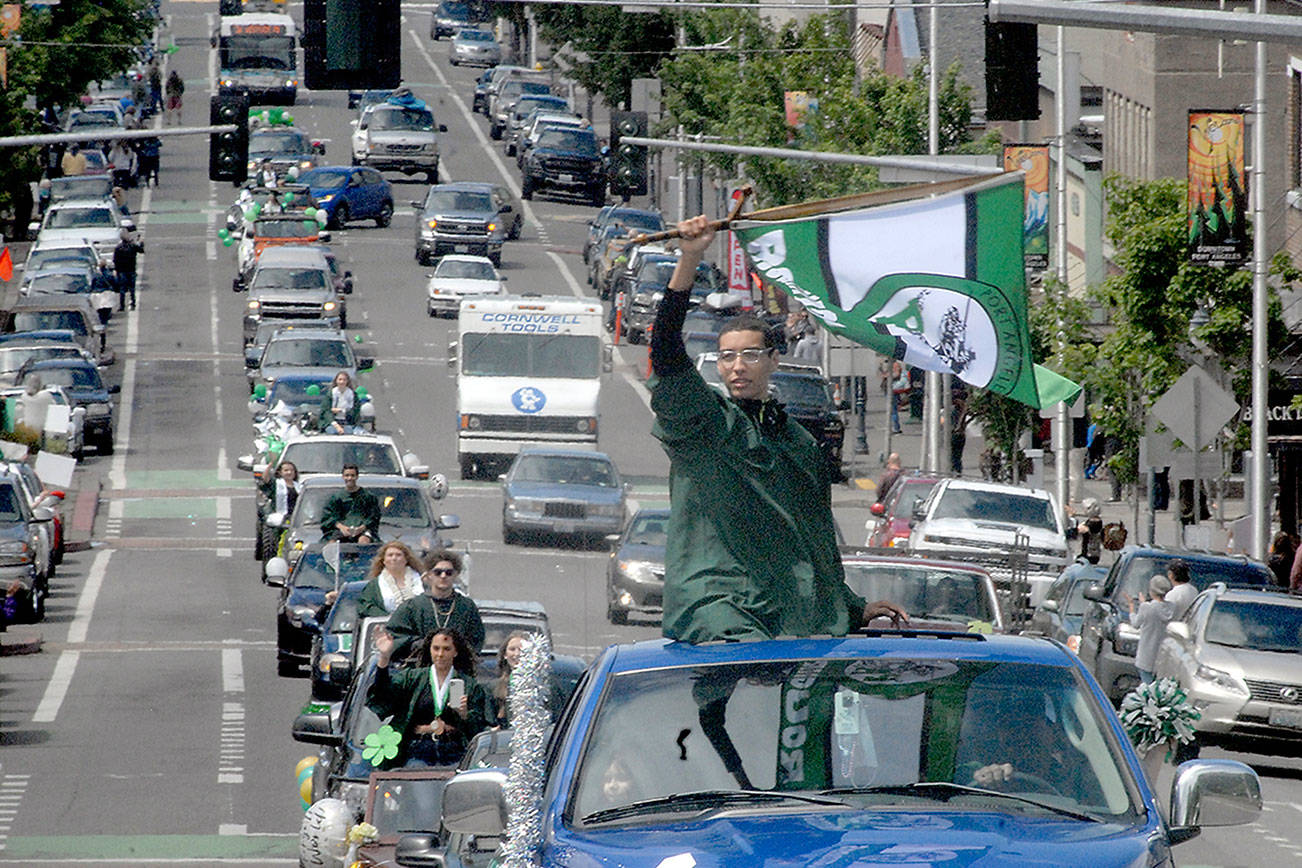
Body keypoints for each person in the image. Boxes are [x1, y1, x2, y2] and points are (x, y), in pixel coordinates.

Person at [647, 215, 907, 643]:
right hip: (717, 603)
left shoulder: (797, 444)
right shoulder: (704, 423)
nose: (736, 366)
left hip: (787, 612)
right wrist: (690, 258)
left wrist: (853, 606)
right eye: (726, 357)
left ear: (774, 360)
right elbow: (666, 351)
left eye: (749, 354)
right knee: (733, 676)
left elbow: (813, 542)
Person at [367, 627, 490, 768]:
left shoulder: (469, 685)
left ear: (455, 652)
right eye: (436, 648)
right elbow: (383, 695)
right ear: (429, 649)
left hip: (454, 752)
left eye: (446, 649)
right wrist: (384, 658)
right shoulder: (413, 677)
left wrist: (464, 714)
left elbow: (479, 727)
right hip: (418, 751)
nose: (440, 654)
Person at [385, 550, 485, 661]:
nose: (443, 576)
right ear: (429, 575)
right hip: (419, 668)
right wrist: (418, 644)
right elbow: (392, 637)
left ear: (456, 575)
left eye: (449, 572)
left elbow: (476, 641)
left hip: (456, 669)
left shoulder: (466, 606)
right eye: (438, 572)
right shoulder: (412, 606)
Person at [326, 541, 425, 619]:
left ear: (406, 559)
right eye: (390, 555)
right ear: (384, 561)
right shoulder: (374, 585)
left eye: (398, 555)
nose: (394, 558)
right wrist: (388, 618)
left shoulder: (422, 581)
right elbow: (365, 607)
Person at [1121, 575, 1173, 684]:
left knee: (1147, 686)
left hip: (1146, 655)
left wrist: (1132, 606)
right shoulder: (1172, 607)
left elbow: (1135, 623)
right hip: (1164, 657)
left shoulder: (1146, 607)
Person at [319, 464, 381, 543]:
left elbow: (374, 517)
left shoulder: (368, 497)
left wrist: (361, 528)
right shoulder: (336, 498)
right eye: (347, 475)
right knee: (331, 543)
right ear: (343, 477)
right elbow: (328, 517)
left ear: (357, 477)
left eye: (352, 475)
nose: (349, 478)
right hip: (340, 530)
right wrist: (342, 527)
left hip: (363, 531)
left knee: (364, 541)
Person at [491, 630, 530, 728]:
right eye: (512, 649)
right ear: (505, 654)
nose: (516, 654)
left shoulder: (545, 687)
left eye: (522, 650)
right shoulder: (493, 688)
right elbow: (486, 723)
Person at [113, 228, 144, 311]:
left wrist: (116, 270)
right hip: (131, 270)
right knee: (132, 288)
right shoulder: (132, 246)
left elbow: (115, 260)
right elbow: (141, 250)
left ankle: (122, 305)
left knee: (122, 289)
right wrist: (141, 242)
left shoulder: (118, 248)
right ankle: (133, 303)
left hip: (122, 271)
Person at [1075, 497, 1104, 565]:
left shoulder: (1095, 523)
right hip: (1088, 552)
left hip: (1091, 553)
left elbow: (1082, 530)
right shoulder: (1091, 521)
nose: (1085, 511)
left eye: (1087, 508)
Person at [91, 258, 117, 325]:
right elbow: (114, 282)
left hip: (97, 294)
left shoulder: (96, 275)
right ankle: (104, 322)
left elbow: (92, 284)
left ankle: (102, 323)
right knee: (107, 310)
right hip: (106, 294)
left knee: (99, 310)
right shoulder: (109, 274)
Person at [889, 361, 908, 434]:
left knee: (893, 410)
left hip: (894, 389)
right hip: (894, 389)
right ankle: (896, 427)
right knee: (893, 409)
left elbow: (897, 374)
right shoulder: (894, 364)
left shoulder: (895, 364)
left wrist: (888, 376)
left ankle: (896, 427)